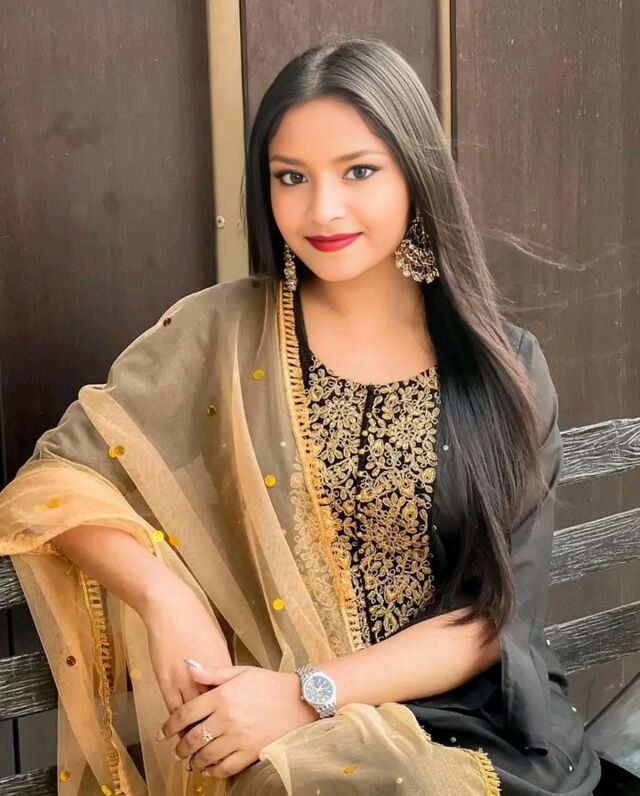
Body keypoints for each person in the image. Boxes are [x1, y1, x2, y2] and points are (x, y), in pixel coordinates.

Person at [0, 35, 601, 796]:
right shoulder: (224, 335)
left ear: (416, 174)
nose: (323, 209)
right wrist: (164, 595)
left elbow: (492, 619)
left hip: (477, 729)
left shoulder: (502, 366)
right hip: (278, 739)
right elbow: (56, 479)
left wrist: (305, 694)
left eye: (359, 171)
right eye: (291, 177)